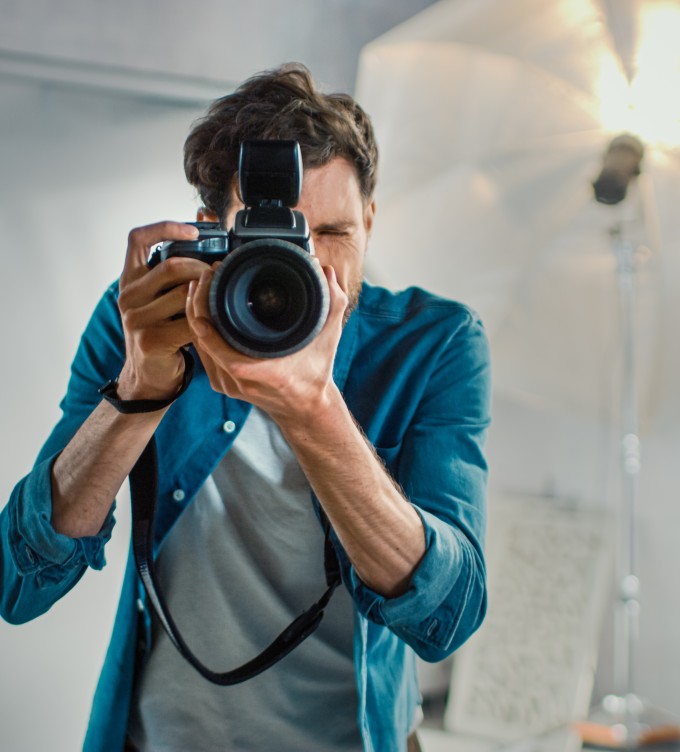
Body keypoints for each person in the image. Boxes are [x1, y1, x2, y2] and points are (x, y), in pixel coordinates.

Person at [0, 63, 491, 752]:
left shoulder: (435, 343)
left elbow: (448, 617)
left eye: (334, 233)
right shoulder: (146, 322)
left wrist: (314, 410)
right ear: (210, 231)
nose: (309, 268)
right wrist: (139, 390)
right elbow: (20, 583)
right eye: (276, 239)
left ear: (371, 223)